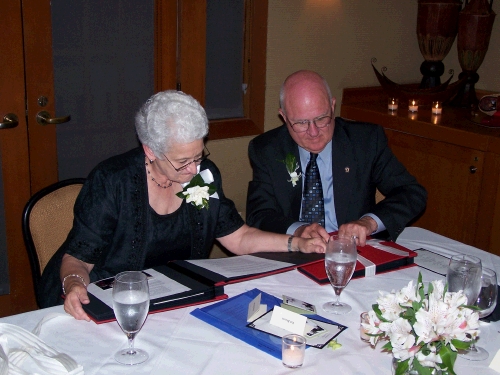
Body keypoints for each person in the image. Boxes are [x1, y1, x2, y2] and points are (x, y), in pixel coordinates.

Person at [40, 90, 325, 320]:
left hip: (169, 302)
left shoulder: (203, 175)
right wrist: (74, 284)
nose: (193, 170)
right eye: (182, 162)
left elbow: (239, 237)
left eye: (199, 155)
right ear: (150, 150)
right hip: (105, 303)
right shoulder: (112, 181)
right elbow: (76, 259)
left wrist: (295, 243)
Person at [246, 70, 427, 246]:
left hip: (351, 251)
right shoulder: (267, 149)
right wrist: (298, 231)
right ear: (284, 117)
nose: (314, 132)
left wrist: (368, 223)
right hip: (291, 253)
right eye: (301, 123)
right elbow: (259, 215)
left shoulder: (365, 141)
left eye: (322, 118)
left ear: (333, 107)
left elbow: (411, 192)